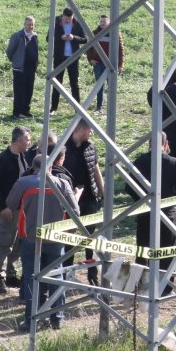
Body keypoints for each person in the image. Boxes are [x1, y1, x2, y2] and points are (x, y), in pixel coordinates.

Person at [5, 150, 79, 332]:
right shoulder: (62, 183)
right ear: (51, 167)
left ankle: (31, 320)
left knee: (31, 278)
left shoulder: (24, 183)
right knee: (57, 277)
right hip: (56, 239)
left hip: (31, 238)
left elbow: (10, 203)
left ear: (33, 167)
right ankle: (57, 318)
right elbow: (75, 212)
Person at [127, 132, 176, 264]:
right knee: (165, 258)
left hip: (145, 214)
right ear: (165, 144)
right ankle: (164, 279)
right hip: (167, 215)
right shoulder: (173, 163)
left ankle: (141, 277)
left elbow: (128, 187)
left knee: (142, 257)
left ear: (149, 144)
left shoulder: (140, 161)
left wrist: (141, 200)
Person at [0, 126, 30, 293]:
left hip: (21, 210)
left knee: (18, 243)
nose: (29, 143)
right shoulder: (2, 159)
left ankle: (11, 274)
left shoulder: (24, 157)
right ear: (18, 141)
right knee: (4, 244)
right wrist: (3, 206)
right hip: (7, 210)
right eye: (27, 139)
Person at [63, 119, 105, 285]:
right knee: (69, 238)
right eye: (90, 130)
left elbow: (96, 169)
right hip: (70, 200)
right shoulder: (63, 148)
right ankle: (66, 274)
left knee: (90, 238)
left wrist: (102, 192)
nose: (92, 133)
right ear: (81, 130)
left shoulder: (91, 147)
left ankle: (92, 275)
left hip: (89, 199)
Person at [85, 13, 124, 111]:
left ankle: (111, 108)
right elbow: (88, 48)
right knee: (99, 86)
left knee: (111, 86)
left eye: (104, 22)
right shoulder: (95, 33)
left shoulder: (115, 33)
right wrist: (91, 59)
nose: (102, 23)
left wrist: (120, 65)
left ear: (109, 23)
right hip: (98, 63)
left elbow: (120, 50)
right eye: (101, 21)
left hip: (111, 64)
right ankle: (99, 107)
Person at [51, 8, 86, 112]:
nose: (68, 21)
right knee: (57, 82)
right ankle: (53, 108)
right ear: (62, 16)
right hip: (59, 58)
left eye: (70, 19)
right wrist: (61, 38)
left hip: (73, 58)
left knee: (74, 83)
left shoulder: (78, 23)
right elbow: (49, 38)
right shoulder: (55, 22)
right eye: (66, 19)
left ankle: (77, 108)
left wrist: (73, 37)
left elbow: (84, 39)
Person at [5, 16, 39, 118]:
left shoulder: (35, 36)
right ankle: (17, 113)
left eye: (32, 25)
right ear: (24, 25)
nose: (31, 26)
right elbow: (9, 51)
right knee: (19, 91)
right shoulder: (17, 36)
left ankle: (25, 111)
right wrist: (16, 61)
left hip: (31, 68)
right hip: (19, 68)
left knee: (29, 90)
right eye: (29, 24)